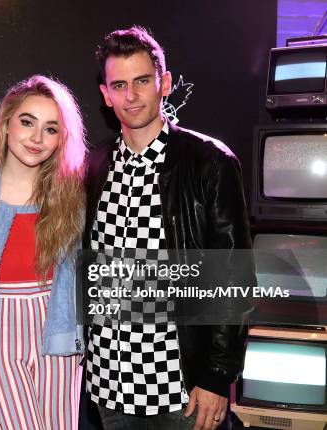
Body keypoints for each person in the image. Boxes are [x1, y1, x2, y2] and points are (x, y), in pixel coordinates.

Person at [83, 26, 254, 430]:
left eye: (142, 81)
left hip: (181, 389)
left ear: (165, 83)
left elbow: (235, 277)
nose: (131, 96)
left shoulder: (209, 162)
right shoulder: (94, 165)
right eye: (119, 85)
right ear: (106, 95)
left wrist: (216, 376)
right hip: (107, 383)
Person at [0, 75, 86, 430]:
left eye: (51, 129)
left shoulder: (73, 192)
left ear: (61, 138)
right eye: (27, 122)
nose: (37, 138)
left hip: (58, 325)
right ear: (7, 123)